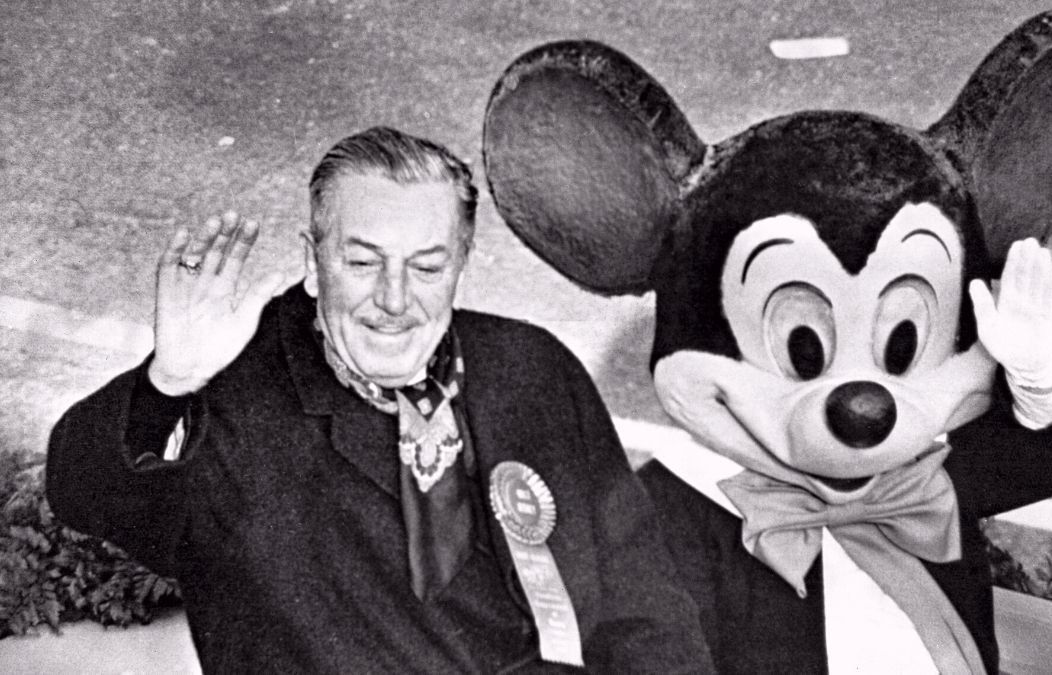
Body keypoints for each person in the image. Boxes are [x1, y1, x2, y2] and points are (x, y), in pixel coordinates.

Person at [46, 126, 714, 674]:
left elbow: (645, 602)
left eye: (426, 266)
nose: (395, 300)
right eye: (363, 263)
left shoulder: (532, 367)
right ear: (313, 264)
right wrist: (168, 380)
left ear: (460, 263)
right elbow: (86, 492)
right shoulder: (237, 395)